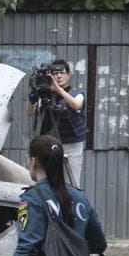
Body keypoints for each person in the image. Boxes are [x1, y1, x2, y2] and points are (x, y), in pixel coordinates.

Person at [26, 59, 87, 187]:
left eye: (62, 73)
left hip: (71, 144)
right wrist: (33, 94)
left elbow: (76, 105)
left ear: (68, 75)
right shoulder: (46, 96)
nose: (59, 76)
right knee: (47, 180)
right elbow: (29, 112)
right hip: (50, 144)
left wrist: (58, 89)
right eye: (55, 73)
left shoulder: (77, 94)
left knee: (72, 184)